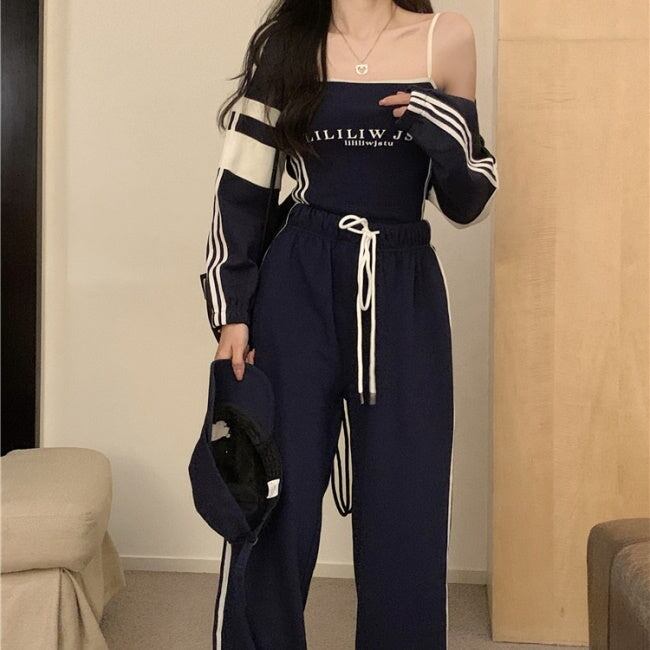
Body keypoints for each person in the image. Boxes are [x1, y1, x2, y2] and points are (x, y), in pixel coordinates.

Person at [200, 1, 499, 648]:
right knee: (273, 498)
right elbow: (242, 188)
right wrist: (233, 313)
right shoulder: (288, 42)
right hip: (296, 286)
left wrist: (443, 131)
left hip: (403, 288)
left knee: (407, 509)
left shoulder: (445, 37)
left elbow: (467, 201)